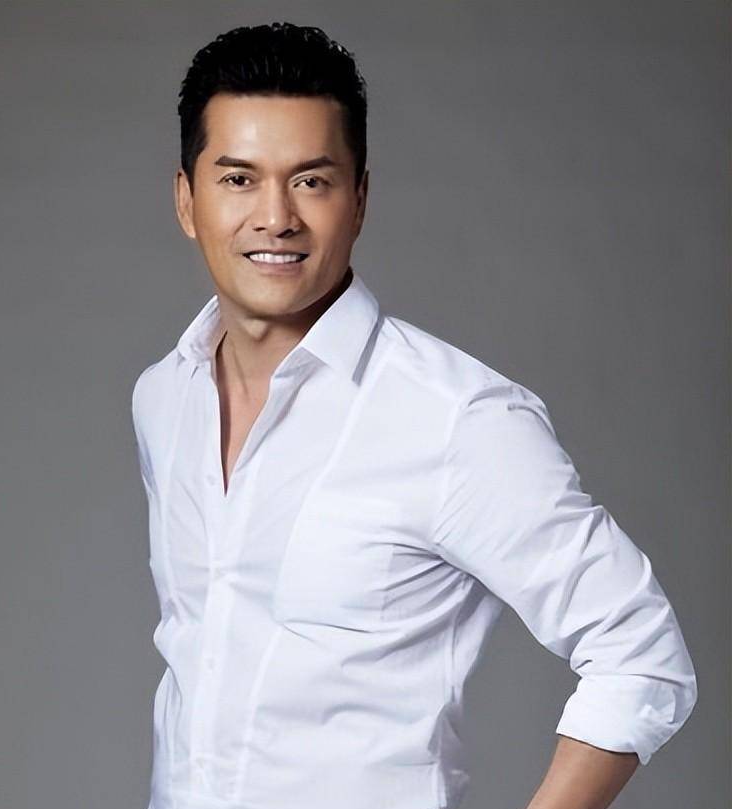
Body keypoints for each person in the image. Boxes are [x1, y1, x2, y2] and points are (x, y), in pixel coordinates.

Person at [131, 21, 697, 809]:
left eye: (311, 181)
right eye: (238, 179)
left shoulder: (457, 419)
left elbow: (641, 653)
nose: (275, 216)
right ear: (186, 200)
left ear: (359, 199)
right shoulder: (165, 396)